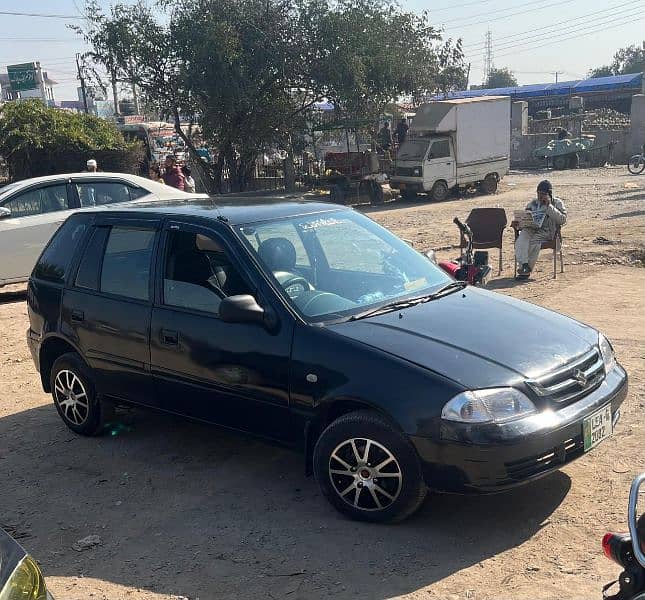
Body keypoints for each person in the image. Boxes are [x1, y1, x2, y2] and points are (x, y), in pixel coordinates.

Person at [515, 179, 567, 280]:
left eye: (543, 194)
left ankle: (525, 271)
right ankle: (524, 264)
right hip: (533, 229)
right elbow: (525, 217)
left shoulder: (557, 203)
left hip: (548, 232)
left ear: (549, 194)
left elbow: (562, 220)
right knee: (522, 238)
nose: (540, 196)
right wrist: (519, 223)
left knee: (533, 242)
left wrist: (549, 207)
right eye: (538, 194)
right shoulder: (533, 203)